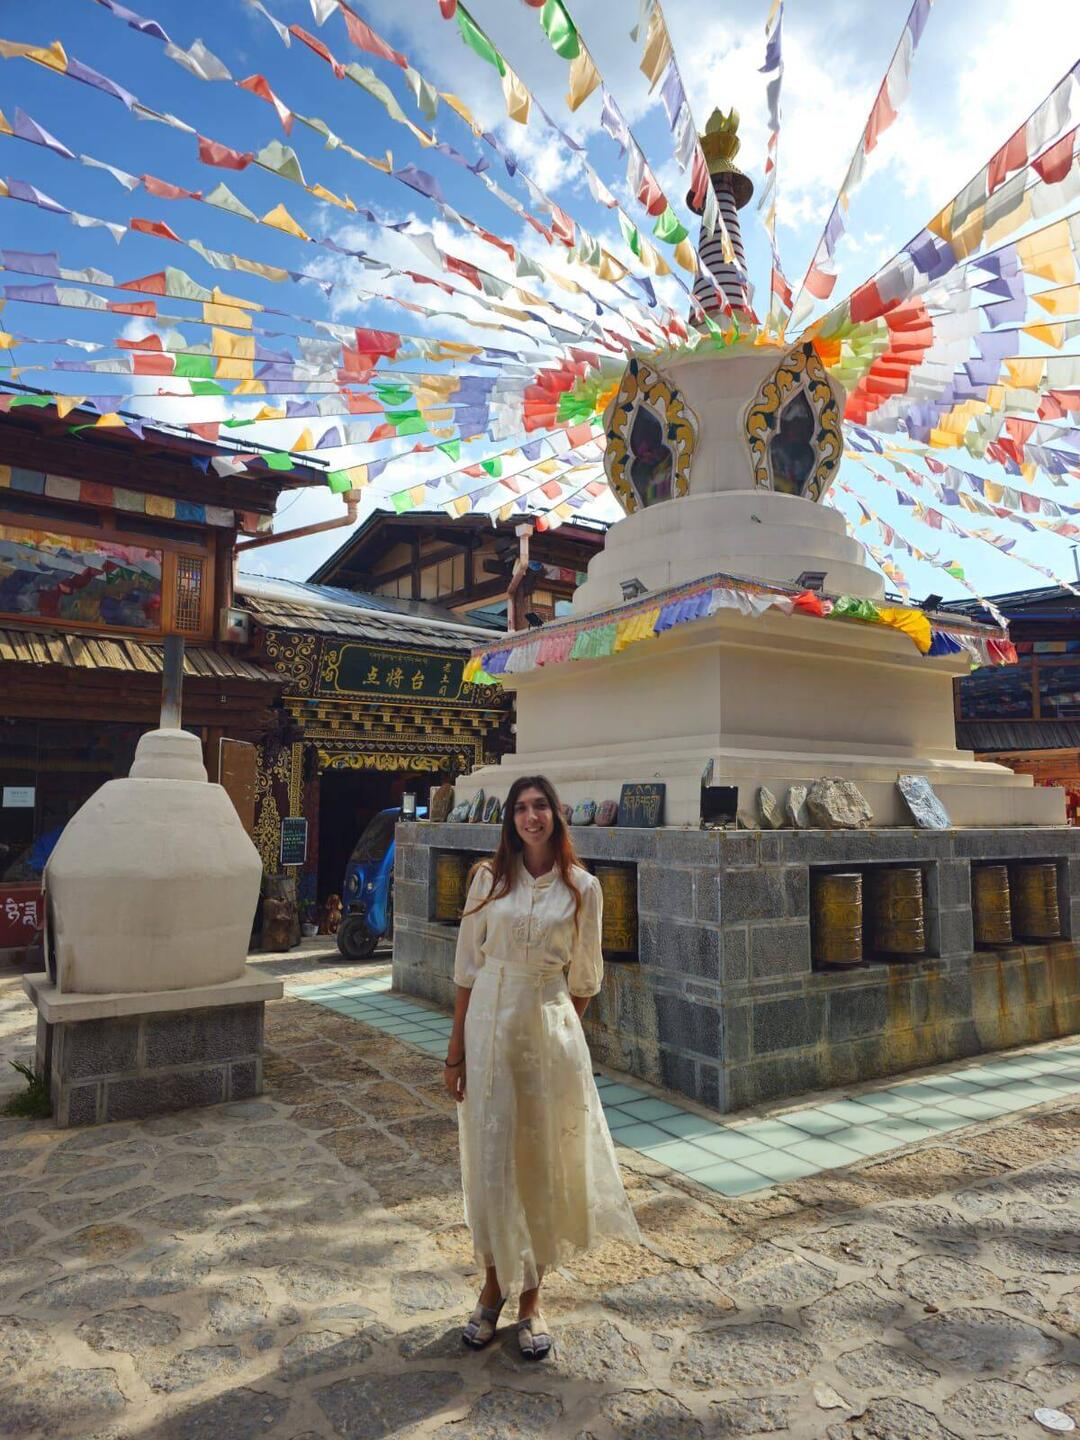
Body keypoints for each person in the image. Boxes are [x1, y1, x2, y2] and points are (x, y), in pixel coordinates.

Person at [444, 775, 641, 1360]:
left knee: (538, 1161)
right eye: (521, 808)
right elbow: (464, 970)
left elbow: (584, 979)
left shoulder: (582, 888)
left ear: (557, 815)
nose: (531, 817)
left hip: (546, 1036)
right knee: (490, 1157)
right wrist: (455, 1050)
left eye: (541, 807)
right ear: (510, 819)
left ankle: (529, 1299)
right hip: (486, 1027)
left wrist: (556, 1026)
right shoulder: (487, 879)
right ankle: (489, 1285)